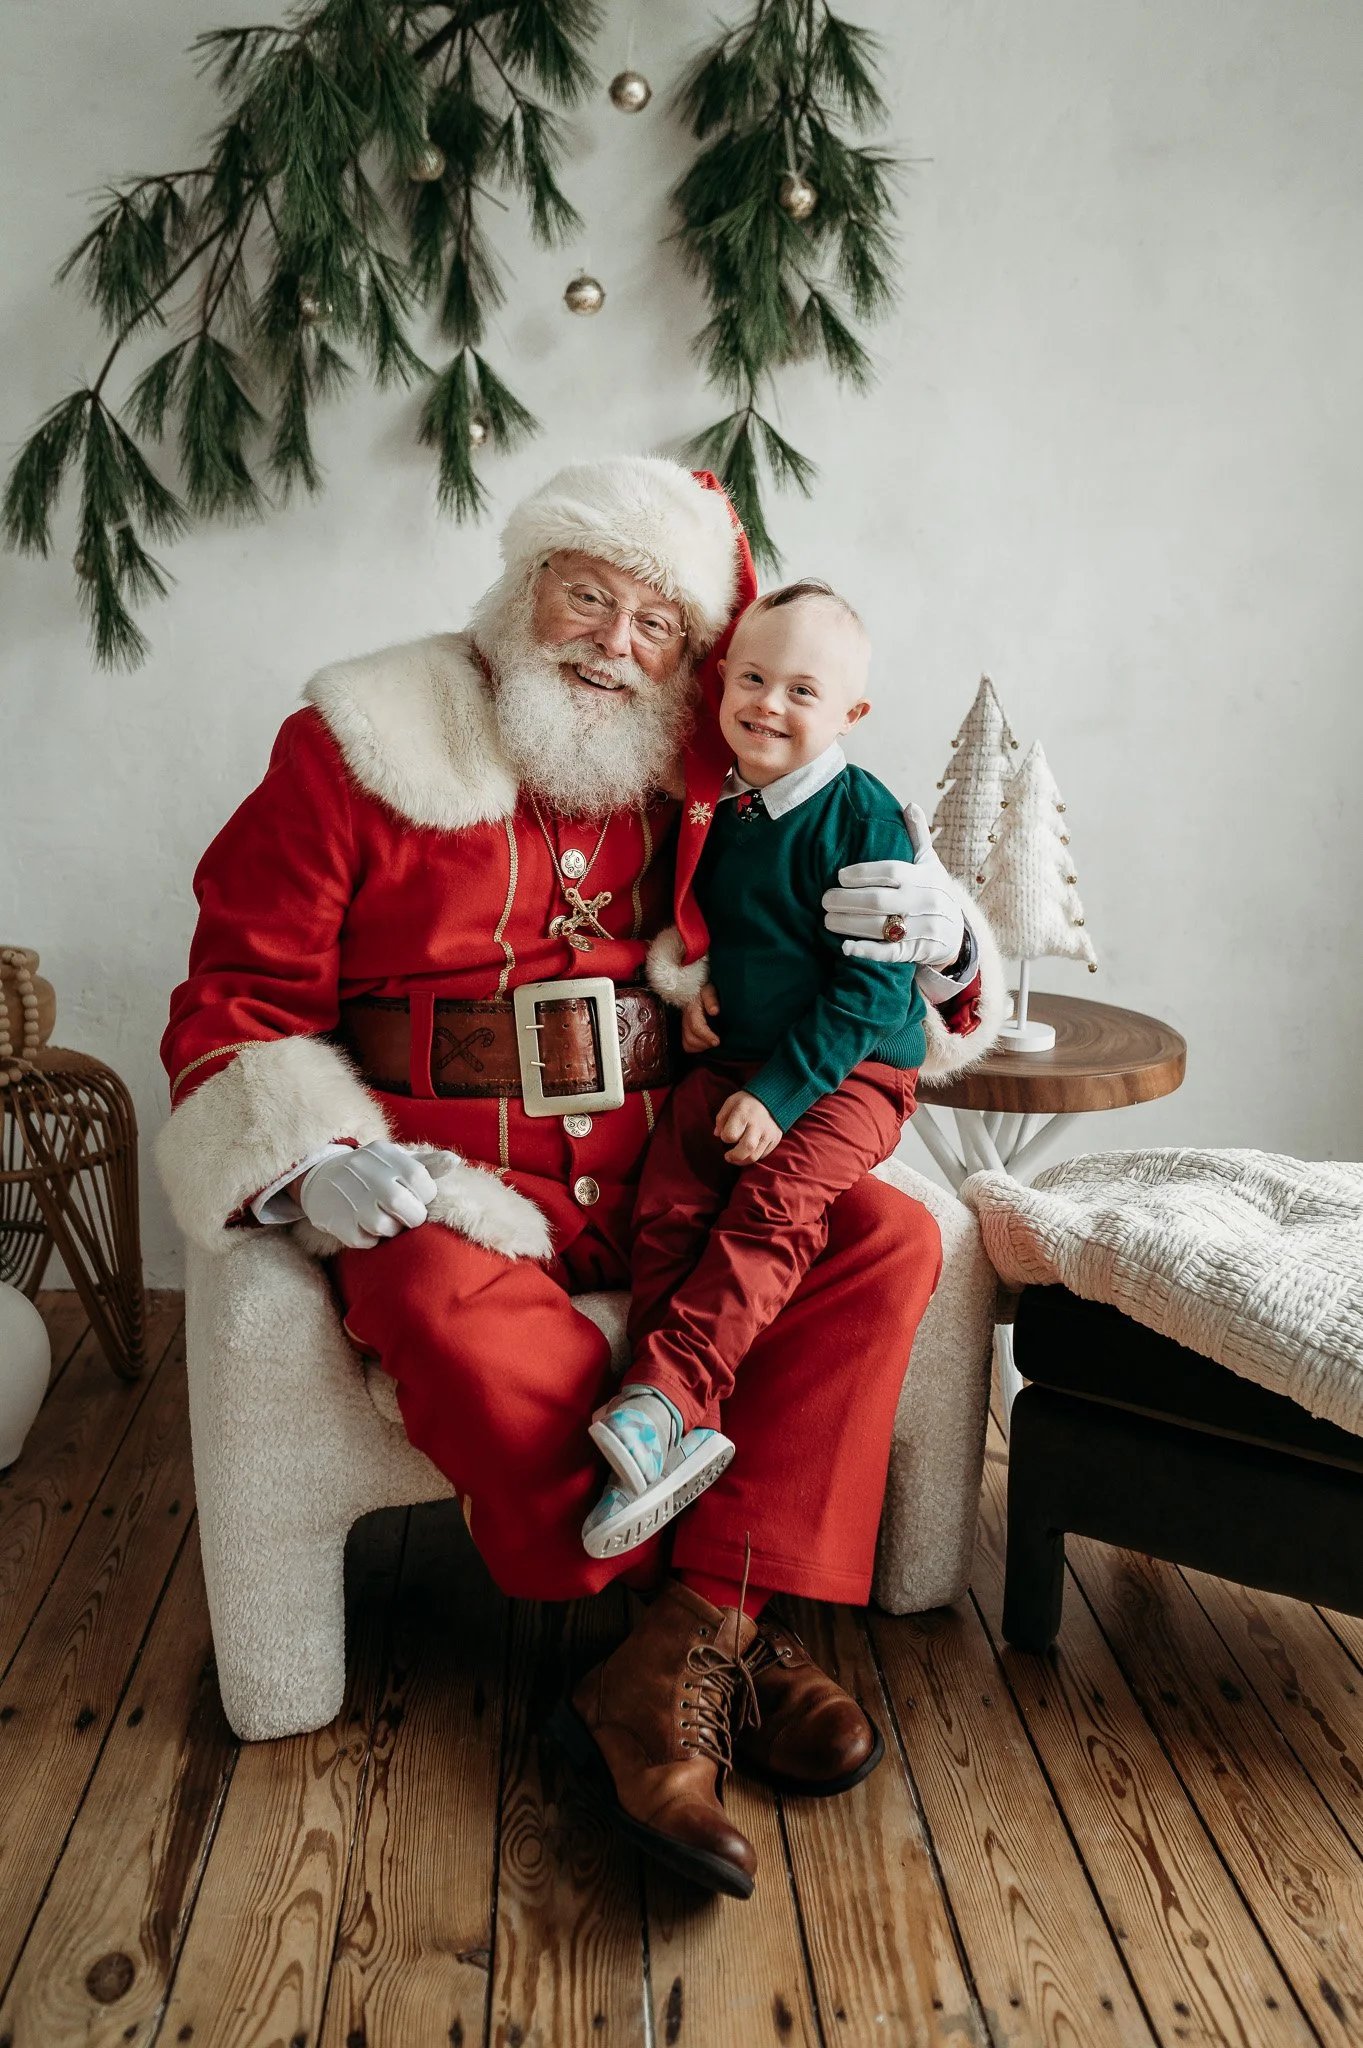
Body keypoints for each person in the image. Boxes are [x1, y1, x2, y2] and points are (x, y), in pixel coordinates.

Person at [157, 456, 1004, 1900]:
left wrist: (951, 936)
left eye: (656, 621)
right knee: (430, 1296)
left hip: (669, 1146)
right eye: (585, 593)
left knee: (881, 1236)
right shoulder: (354, 739)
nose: (614, 641)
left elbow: (837, 885)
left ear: (694, 654)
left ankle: (678, 1650)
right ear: (521, 584)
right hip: (446, 1170)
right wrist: (304, 1163)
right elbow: (234, 991)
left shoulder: (703, 766)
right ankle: (720, 1621)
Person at [583, 578, 931, 1560]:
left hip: (851, 1069)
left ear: (850, 713)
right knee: (668, 1192)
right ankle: (657, 1418)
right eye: (752, 677)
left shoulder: (868, 823)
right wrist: (692, 993)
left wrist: (782, 1098)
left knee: (772, 1201)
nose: (768, 704)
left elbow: (869, 993)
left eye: (802, 691)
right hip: (740, 1052)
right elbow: (714, 928)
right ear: (721, 682)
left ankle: (670, 1392)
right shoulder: (723, 808)